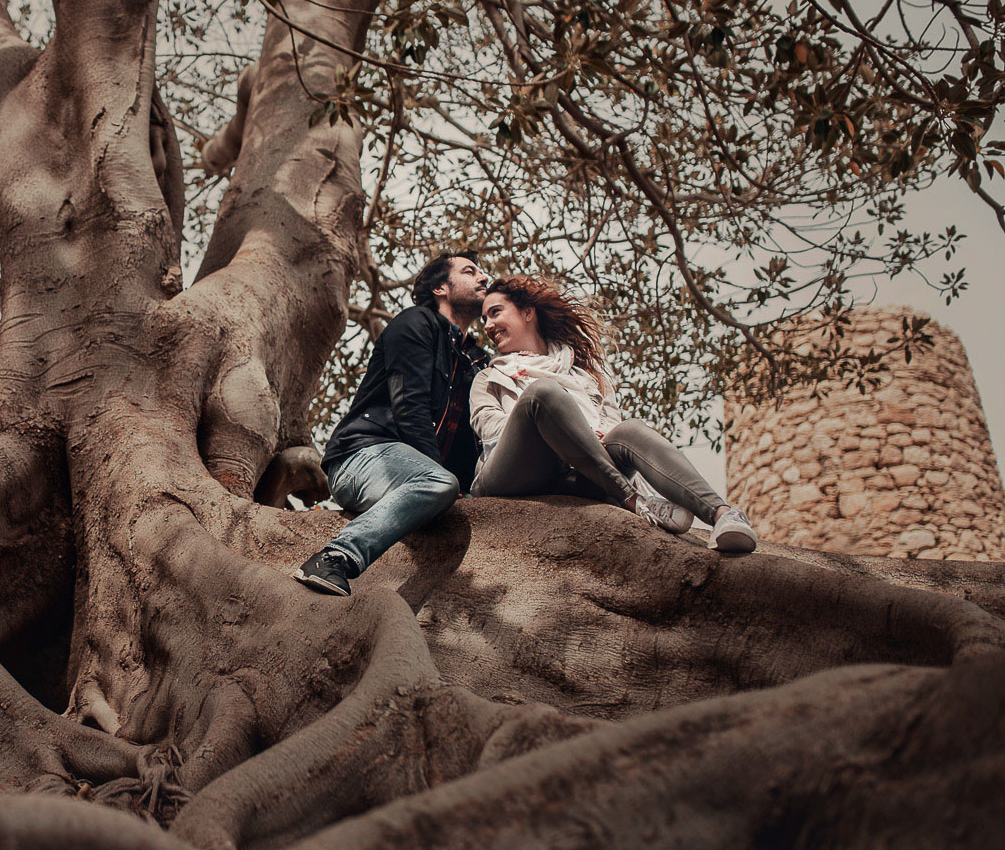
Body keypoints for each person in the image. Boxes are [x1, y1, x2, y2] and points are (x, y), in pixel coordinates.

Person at [468, 275, 758, 552]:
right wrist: (557, 430)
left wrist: (584, 436)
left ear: (528, 312)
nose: (489, 325)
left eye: (495, 313)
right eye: (484, 320)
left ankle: (724, 515)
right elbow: (490, 430)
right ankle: (634, 501)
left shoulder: (585, 375)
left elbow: (610, 424)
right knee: (543, 393)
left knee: (629, 430)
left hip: (581, 472)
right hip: (515, 472)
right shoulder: (489, 377)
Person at [294, 252, 491, 596]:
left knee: (448, 486)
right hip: (362, 458)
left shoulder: (474, 358)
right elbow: (409, 405)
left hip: (417, 475)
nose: (484, 278)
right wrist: (447, 483)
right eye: (471, 271)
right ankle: (333, 558)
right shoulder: (417, 322)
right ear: (441, 287)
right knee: (440, 483)